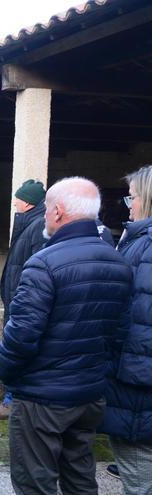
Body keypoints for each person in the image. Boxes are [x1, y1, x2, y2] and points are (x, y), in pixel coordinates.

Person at [0, 177, 133, 495]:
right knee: (80, 475)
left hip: (43, 398)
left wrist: (3, 372)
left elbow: (21, 334)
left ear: (56, 212)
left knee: (34, 481)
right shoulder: (119, 263)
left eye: (45, 211)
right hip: (90, 395)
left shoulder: (43, 264)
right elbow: (120, 334)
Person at [99, 165, 152, 494]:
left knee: (139, 470)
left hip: (137, 382)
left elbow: (134, 315)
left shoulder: (145, 246)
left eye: (131, 197)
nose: (127, 204)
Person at [0, 179, 47, 420]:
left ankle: (13, 400)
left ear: (28, 202)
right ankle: (12, 399)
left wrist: (22, 296)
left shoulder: (37, 226)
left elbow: (34, 266)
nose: (14, 202)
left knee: (19, 350)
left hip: (23, 301)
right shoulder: (27, 222)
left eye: (18, 198)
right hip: (15, 299)